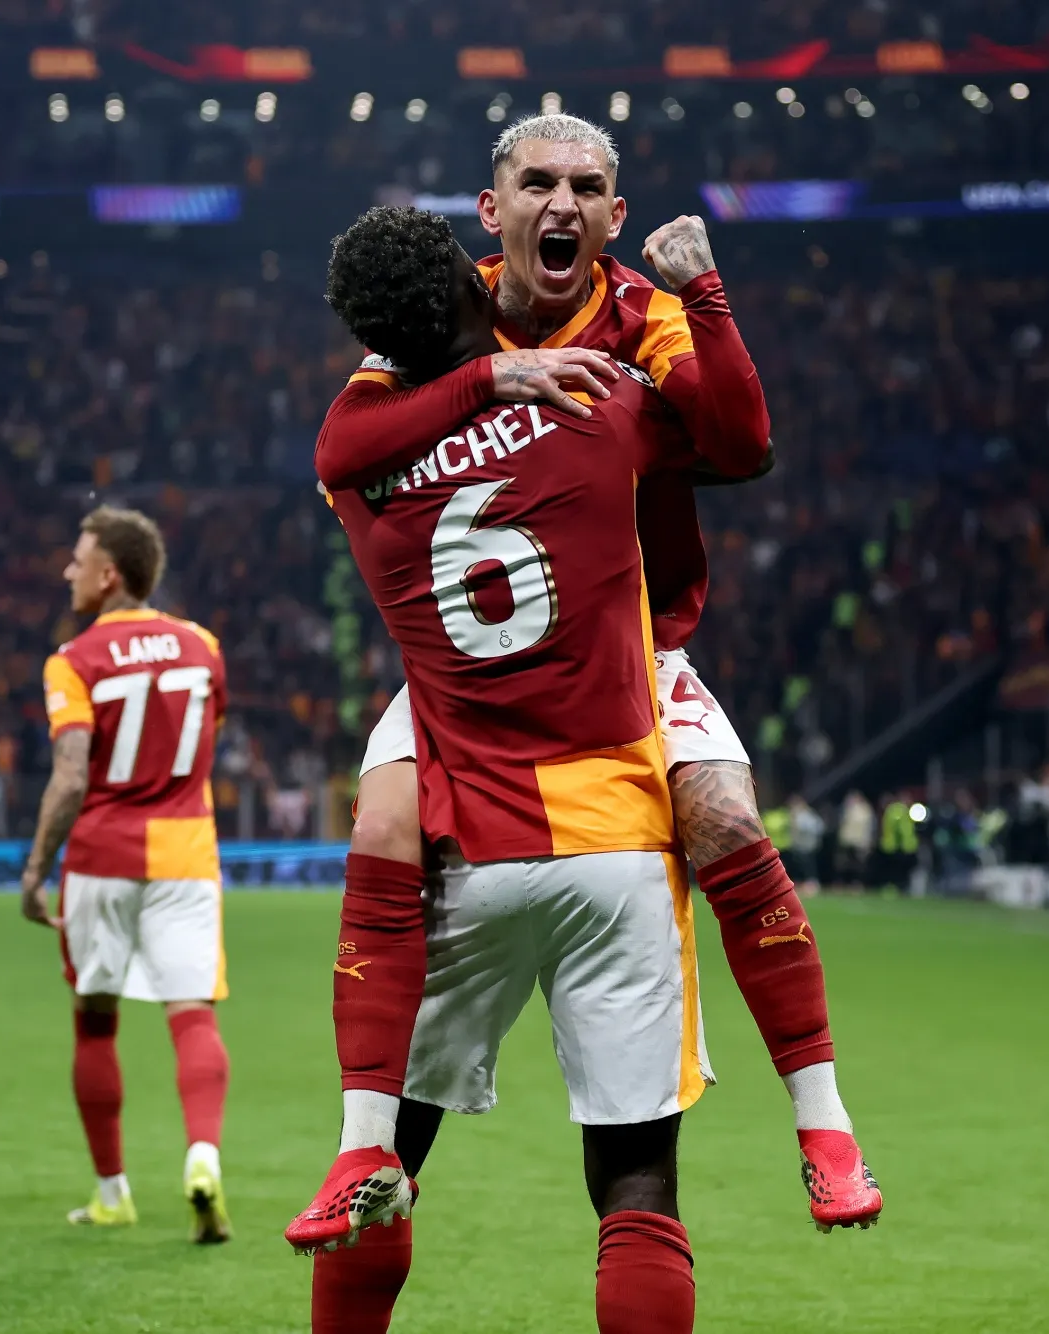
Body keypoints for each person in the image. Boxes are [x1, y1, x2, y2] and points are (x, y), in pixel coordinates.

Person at [292, 111, 878, 1251]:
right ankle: (360, 1137)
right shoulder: (442, 314)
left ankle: (824, 1121)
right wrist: (495, 378)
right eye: (536, 183)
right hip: (471, 669)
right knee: (386, 812)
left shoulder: (637, 316)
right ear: (491, 207)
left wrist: (704, 296)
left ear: (613, 215)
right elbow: (342, 441)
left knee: (715, 812)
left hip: (632, 648)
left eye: (585, 187)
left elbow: (742, 443)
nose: (559, 203)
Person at [306, 203, 748, 1333]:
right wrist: (692, 308)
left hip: (461, 837)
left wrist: (464, 389)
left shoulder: (358, 468)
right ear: (474, 264)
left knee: (383, 1155)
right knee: (637, 1180)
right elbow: (734, 443)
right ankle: (823, 1116)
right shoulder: (590, 406)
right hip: (607, 820)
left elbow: (340, 444)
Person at [18, 506, 234, 1244]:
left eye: (78, 560)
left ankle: (113, 1191)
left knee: (96, 1021)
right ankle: (203, 1158)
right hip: (185, 854)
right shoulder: (202, 646)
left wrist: (36, 868)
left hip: (102, 856)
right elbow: (208, 741)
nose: (68, 571)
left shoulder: (72, 659)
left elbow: (72, 776)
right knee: (192, 1015)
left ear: (110, 574)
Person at [836, 789, 876, 888]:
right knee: (844, 863)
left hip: (859, 841)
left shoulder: (865, 810)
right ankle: (844, 883)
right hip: (847, 841)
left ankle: (857, 883)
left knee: (858, 864)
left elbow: (869, 827)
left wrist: (868, 840)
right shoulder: (847, 809)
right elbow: (843, 824)